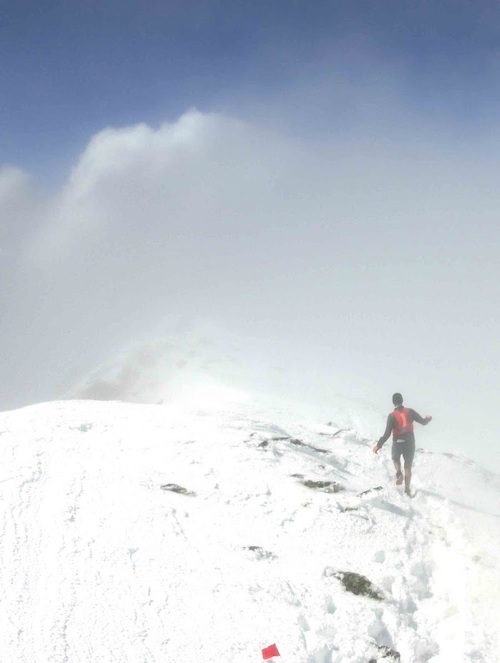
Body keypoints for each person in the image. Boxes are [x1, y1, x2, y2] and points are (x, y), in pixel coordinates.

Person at [373, 393, 432, 495]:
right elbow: (423, 422)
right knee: (408, 467)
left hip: (398, 442)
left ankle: (399, 474)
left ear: (393, 402)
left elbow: (387, 434)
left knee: (395, 458)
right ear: (402, 400)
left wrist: (378, 445)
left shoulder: (391, 416)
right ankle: (407, 490)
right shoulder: (410, 411)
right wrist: (428, 419)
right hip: (410, 443)